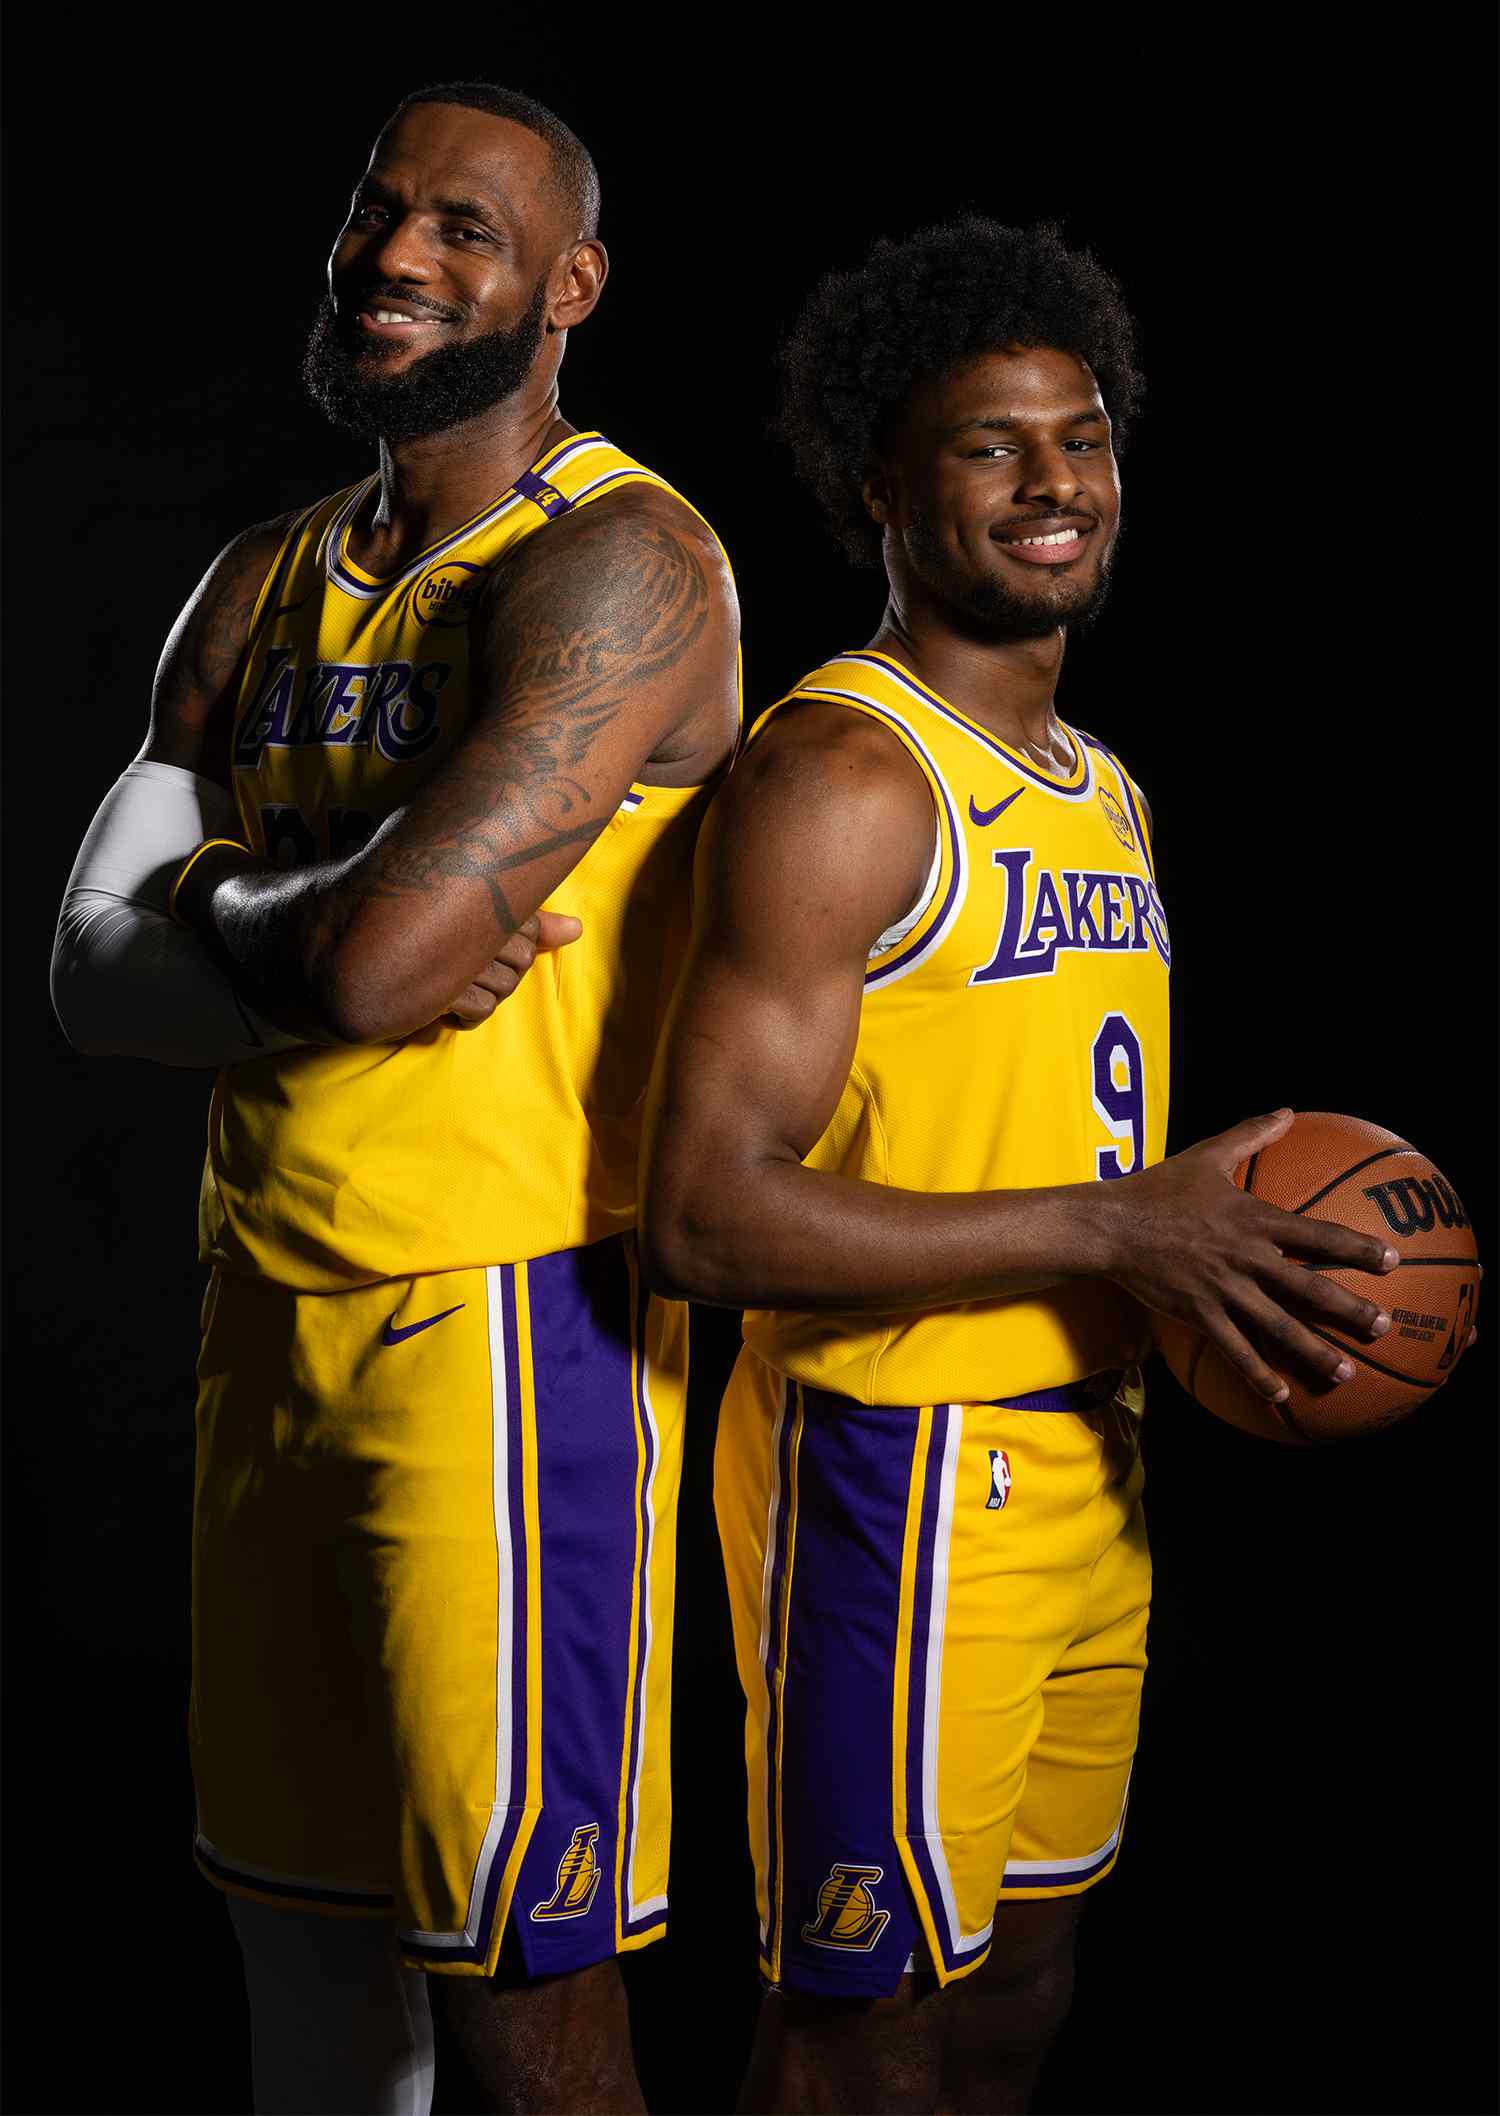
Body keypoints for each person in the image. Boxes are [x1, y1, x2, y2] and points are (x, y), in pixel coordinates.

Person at [640, 219, 1397, 2115]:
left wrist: (1194, 1264)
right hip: (894, 1476)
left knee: (1020, 1990)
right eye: (994, 445)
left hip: (1088, 1464)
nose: (1058, 482)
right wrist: (1125, 1228)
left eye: (1084, 437)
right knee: (861, 2032)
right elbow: (704, 1212)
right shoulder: (846, 778)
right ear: (881, 480)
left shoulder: (1100, 784)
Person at [51, 81, 739, 2116]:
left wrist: (235, 916)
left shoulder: (622, 563)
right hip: (267, 1314)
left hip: (512, 1339)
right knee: (309, 1978)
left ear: (567, 288)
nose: (392, 260)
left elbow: (363, 967)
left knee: (530, 2012)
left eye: (461, 228)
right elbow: (93, 973)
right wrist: (321, 900)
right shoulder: (254, 582)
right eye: (376, 213)